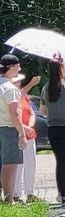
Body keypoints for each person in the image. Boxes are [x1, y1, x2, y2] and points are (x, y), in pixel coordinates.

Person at [0, 54, 25, 202]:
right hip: (8, 127)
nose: (19, 69)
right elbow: (15, 113)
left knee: (5, 163)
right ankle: (9, 200)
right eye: (18, 66)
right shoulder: (9, 88)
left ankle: (6, 197)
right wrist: (22, 133)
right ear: (10, 67)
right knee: (11, 165)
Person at [13, 74, 42, 202]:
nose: (19, 83)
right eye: (16, 81)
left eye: (19, 81)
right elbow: (12, 117)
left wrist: (30, 125)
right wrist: (24, 127)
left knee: (31, 164)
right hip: (17, 134)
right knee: (19, 165)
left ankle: (30, 193)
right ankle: (16, 194)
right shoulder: (12, 97)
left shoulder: (23, 97)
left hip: (29, 134)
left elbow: (31, 112)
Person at [43, 57, 65, 204]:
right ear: (60, 69)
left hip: (53, 128)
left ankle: (62, 194)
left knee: (61, 162)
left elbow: (43, 111)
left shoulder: (46, 88)